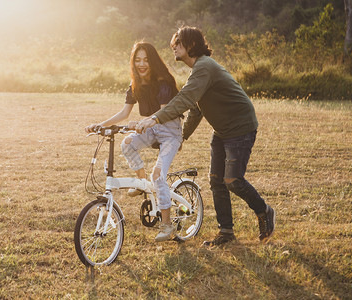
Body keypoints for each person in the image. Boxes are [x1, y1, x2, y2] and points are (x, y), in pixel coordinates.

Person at [136, 26, 275, 246]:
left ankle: (264, 211)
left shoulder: (204, 67)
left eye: (178, 43)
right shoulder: (198, 70)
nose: (174, 46)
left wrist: (155, 119)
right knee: (216, 181)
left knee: (233, 180)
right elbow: (197, 108)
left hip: (240, 128)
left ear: (191, 45)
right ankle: (226, 232)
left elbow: (185, 100)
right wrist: (182, 136)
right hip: (222, 131)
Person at [85, 42, 183, 242]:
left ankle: (167, 224)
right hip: (150, 128)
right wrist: (100, 125)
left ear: (153, 61)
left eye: (146, 60)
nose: (142, 64)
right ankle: (141, 182)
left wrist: (144, 122)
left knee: (159, 174)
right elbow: (124, 112)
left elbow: (164, 111)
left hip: (170, 131)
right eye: (137, 60)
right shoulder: (135, 84)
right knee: (127, 144)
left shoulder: (163, 81)